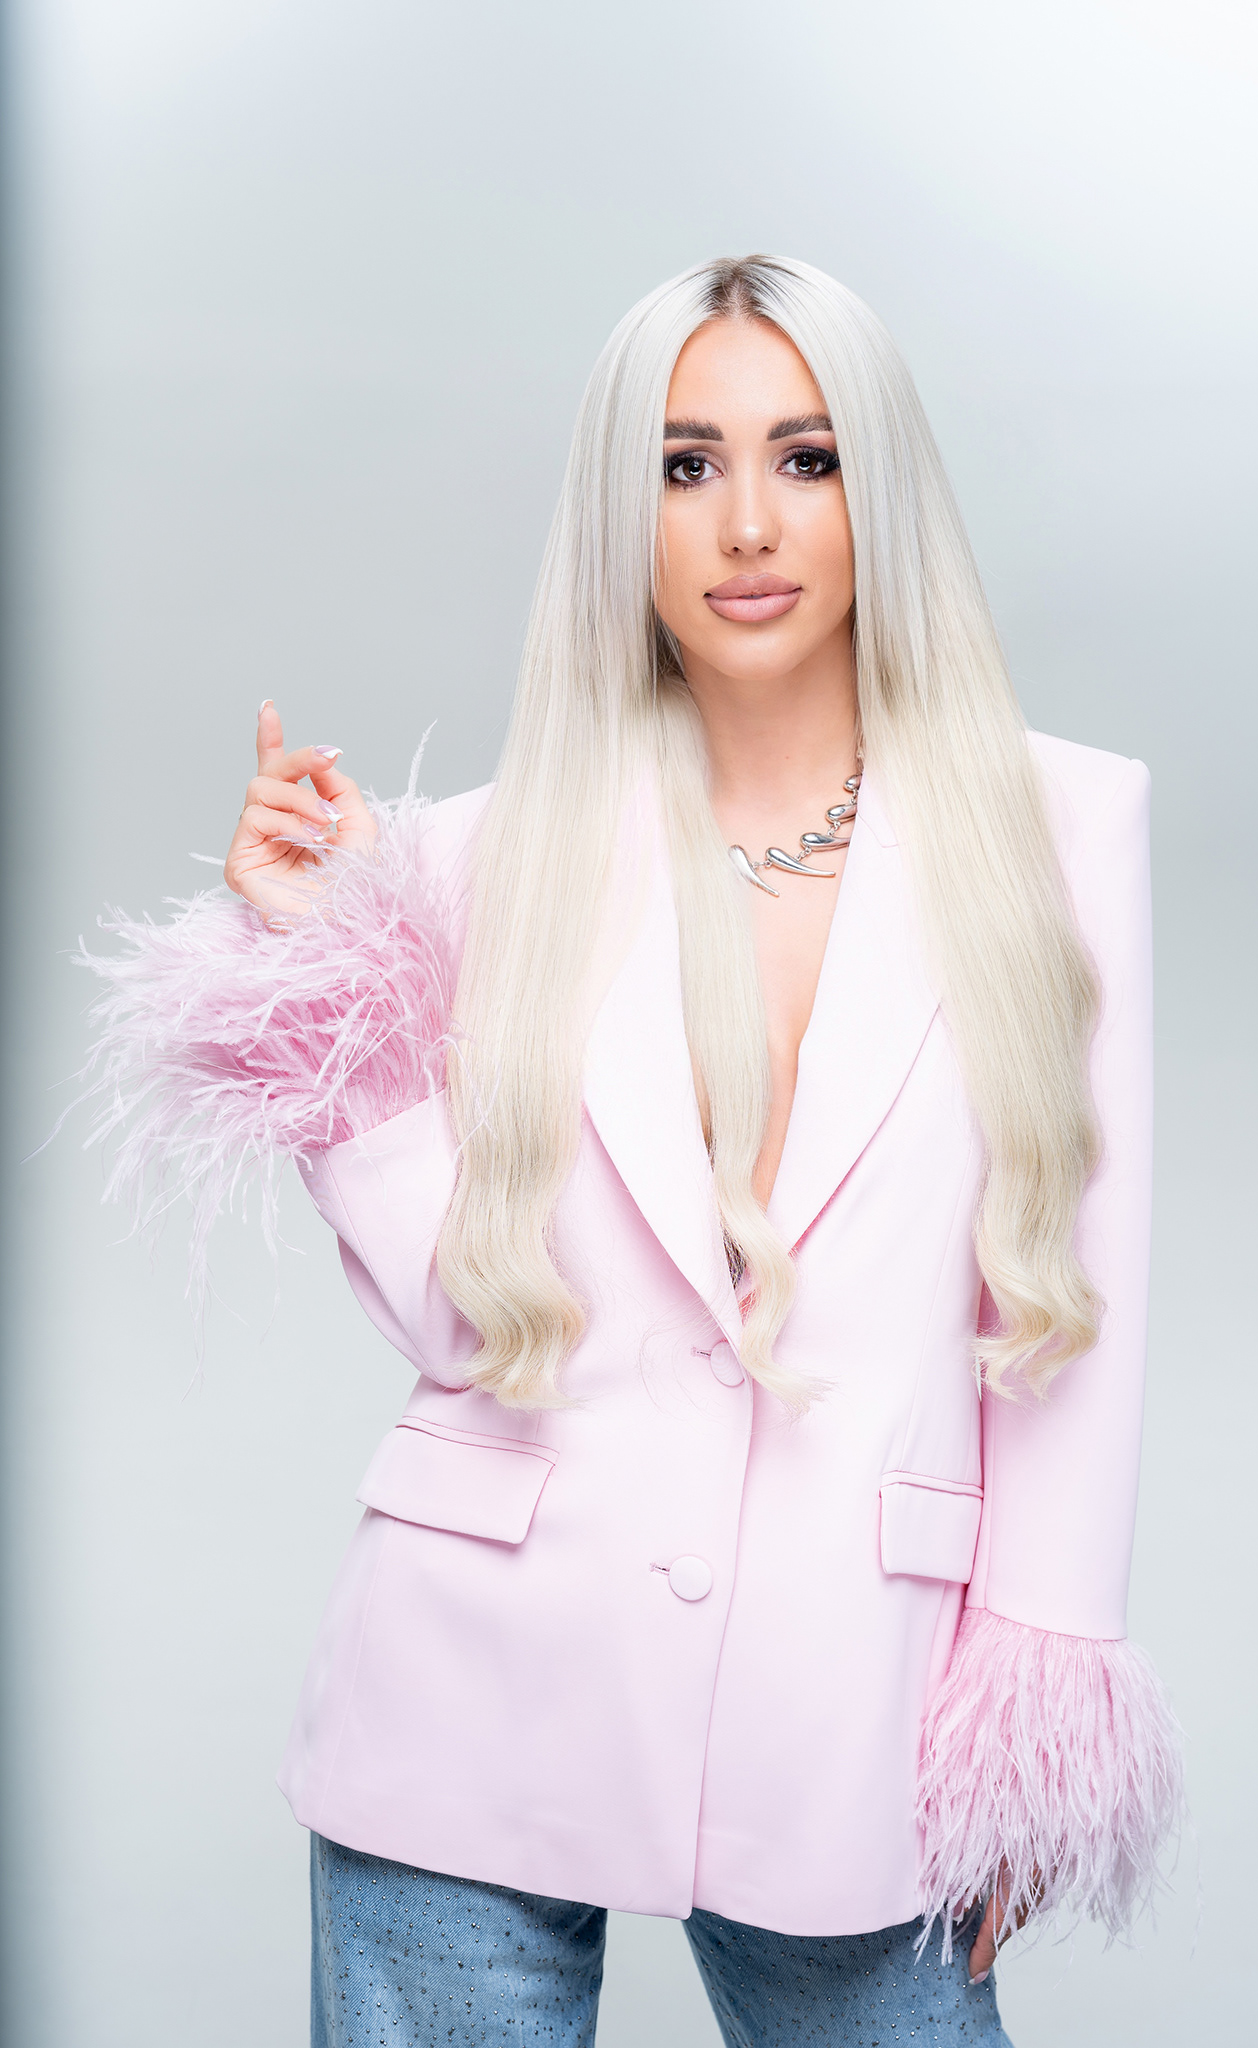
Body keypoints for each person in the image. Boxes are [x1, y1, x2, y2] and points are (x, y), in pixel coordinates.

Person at [79, 255, 1182, 2047]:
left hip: (857, 1702)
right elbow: (468, 1323)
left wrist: (1037, 1681)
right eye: (683, 465)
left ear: (878, 490)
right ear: (621, 508)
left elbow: (1080, 1303)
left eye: (805, 458)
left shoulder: (1059, 824)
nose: (746, 523)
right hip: (468, 1694)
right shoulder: (465, 856)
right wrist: (324, 975)